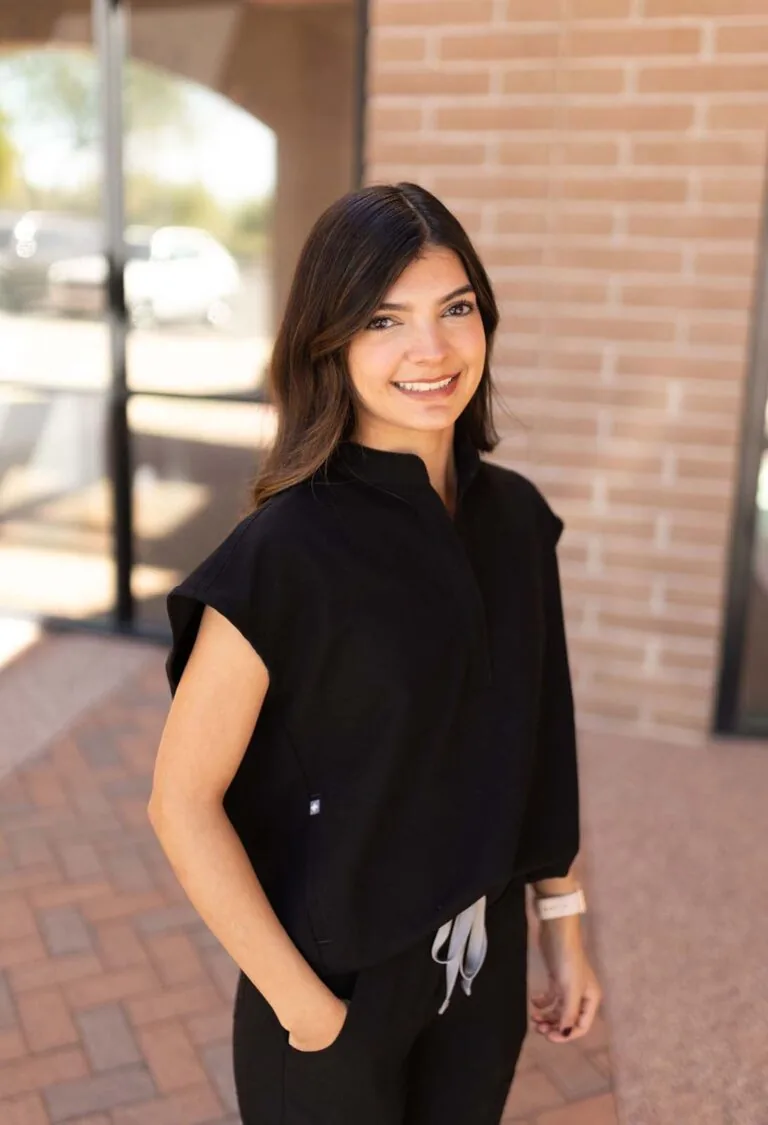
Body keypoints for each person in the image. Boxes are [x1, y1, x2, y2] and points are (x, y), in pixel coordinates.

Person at [148, 181, 603, 1125]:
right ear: (332, 341)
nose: (431, 351)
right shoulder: (284, 553)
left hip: (480, 968)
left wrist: (562, 924)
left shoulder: (513, 519)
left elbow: (542, 741)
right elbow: (180, 801)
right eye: (385, 320)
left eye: (455, 309)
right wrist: (306, 1009)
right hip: (334, 989)